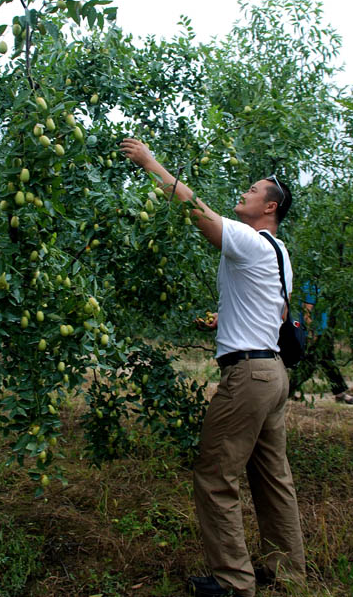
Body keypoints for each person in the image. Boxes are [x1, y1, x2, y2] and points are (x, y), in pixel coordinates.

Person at [120, 137, 305, 597]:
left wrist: (151, 163)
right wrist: (229, 318)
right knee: (272, 477)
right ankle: (289, 574)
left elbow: (196, 211)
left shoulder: (247, 239)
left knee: (215, 475)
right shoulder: (280, 255)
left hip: (247, 377)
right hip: (274, 374)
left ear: (270, 207)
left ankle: (233, 581)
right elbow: (277, 315)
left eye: (254, 189)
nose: (245, 192)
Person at [288, 283, 353, 404]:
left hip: (321, 332)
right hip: (315, 334)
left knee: (327, 362)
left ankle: (339, 392)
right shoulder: (310, 285)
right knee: (309, 365)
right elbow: (307, 310)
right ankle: (287, 391)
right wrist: (311, 332)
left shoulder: (323, 284)